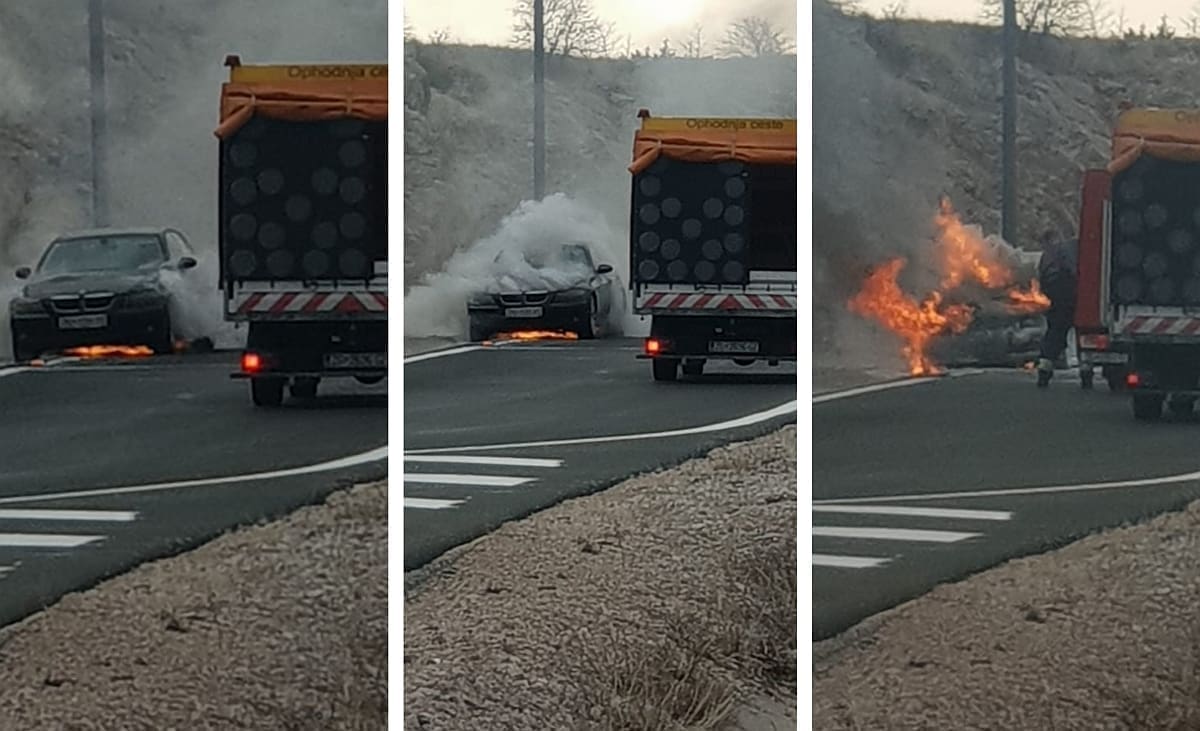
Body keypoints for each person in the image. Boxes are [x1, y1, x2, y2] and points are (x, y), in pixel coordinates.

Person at [1036, 231, 1079, 388]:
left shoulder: (1047, 255)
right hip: (1074, 294)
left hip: (1057, 297)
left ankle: (1044, 371)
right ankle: (1086, 372)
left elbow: (1042, 279)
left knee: (1055, 332)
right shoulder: (1072, 247)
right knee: (1084, 331)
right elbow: (1075, 270)